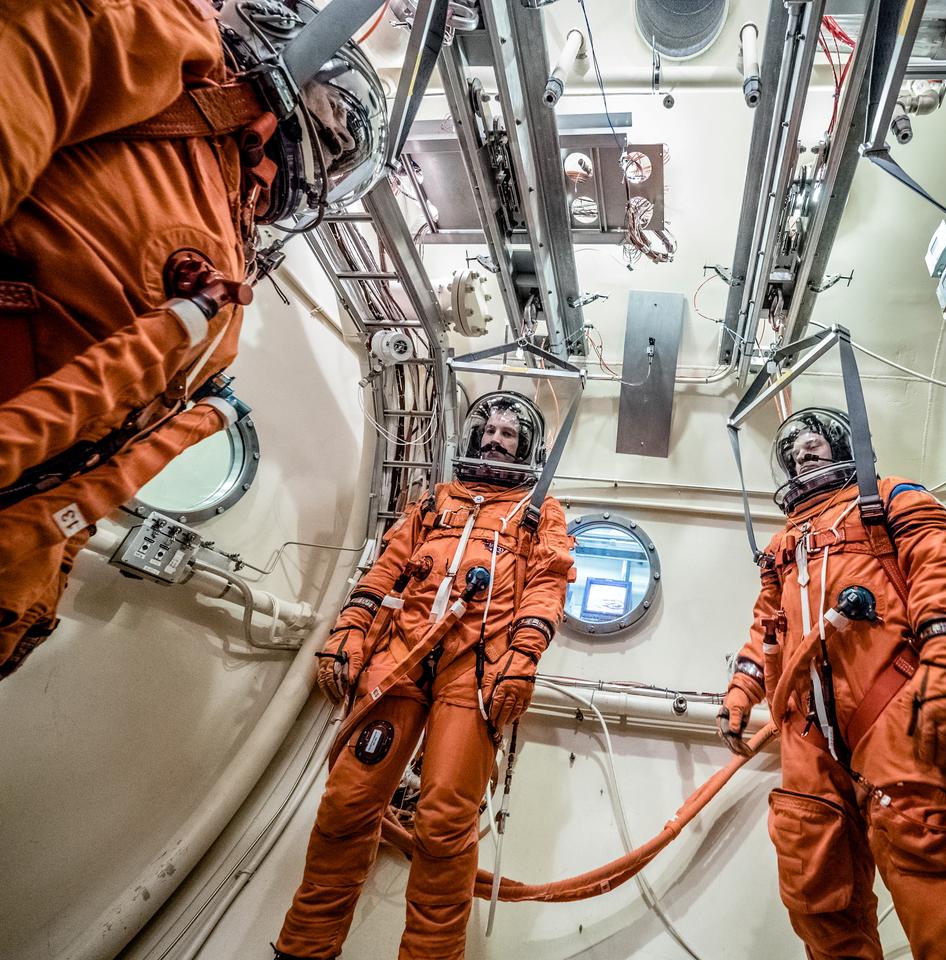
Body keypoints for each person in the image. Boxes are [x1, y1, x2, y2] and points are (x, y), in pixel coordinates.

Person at [0, 0, 387, 680]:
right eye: (335, 129)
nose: (330, 155)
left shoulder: (231, 262)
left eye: (343, 150)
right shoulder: (165, 41)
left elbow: (105, 456)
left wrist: (40, 574)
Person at [274, 391, 574, 960]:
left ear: (527, 446)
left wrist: (524, 657)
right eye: (488, 431)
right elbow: (387, 566)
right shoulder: (433, 503)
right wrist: (350, 629)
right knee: (346, 803)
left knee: (444, 821)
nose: (494, 440)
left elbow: (548, 583)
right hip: (400, 658)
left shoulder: (539, 512)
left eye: (509, 435)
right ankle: (304, 948)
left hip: (476, 671)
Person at [717, 408, 946, 960]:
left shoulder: (889, 501)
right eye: (797, 450)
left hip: (897, 705)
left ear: (845, 449)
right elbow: (767, 626)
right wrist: (741, 693)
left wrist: (945, 663)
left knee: (934, 873)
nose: (805, 455)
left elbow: (940, 572)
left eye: (817, 446)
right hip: (808, 730)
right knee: (815, 889)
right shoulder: (785, 547)